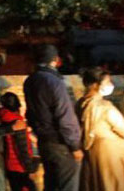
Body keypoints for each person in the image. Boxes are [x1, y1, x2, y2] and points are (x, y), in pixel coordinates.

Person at [24, 44, 82, 191]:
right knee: (68, 185)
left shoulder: (30, 81)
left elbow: (30, 113)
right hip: (61, 142)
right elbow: (65, 116)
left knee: (51, 183)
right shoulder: (54, 82)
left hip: (44, 141)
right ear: (56, 60)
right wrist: (74, 145)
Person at [77, 67, 124, 191]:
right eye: (107, 82)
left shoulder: (81, 103)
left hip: (93, 151)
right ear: (95, 85)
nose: (111, 85)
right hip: (111, 152)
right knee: (113, 183)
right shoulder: (104, 106)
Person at [0, 92, 38, 191]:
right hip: (20, 166)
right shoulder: (18, 123)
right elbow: (22, 147)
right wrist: (30, 168)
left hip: (9, 164)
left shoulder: (1, 120)